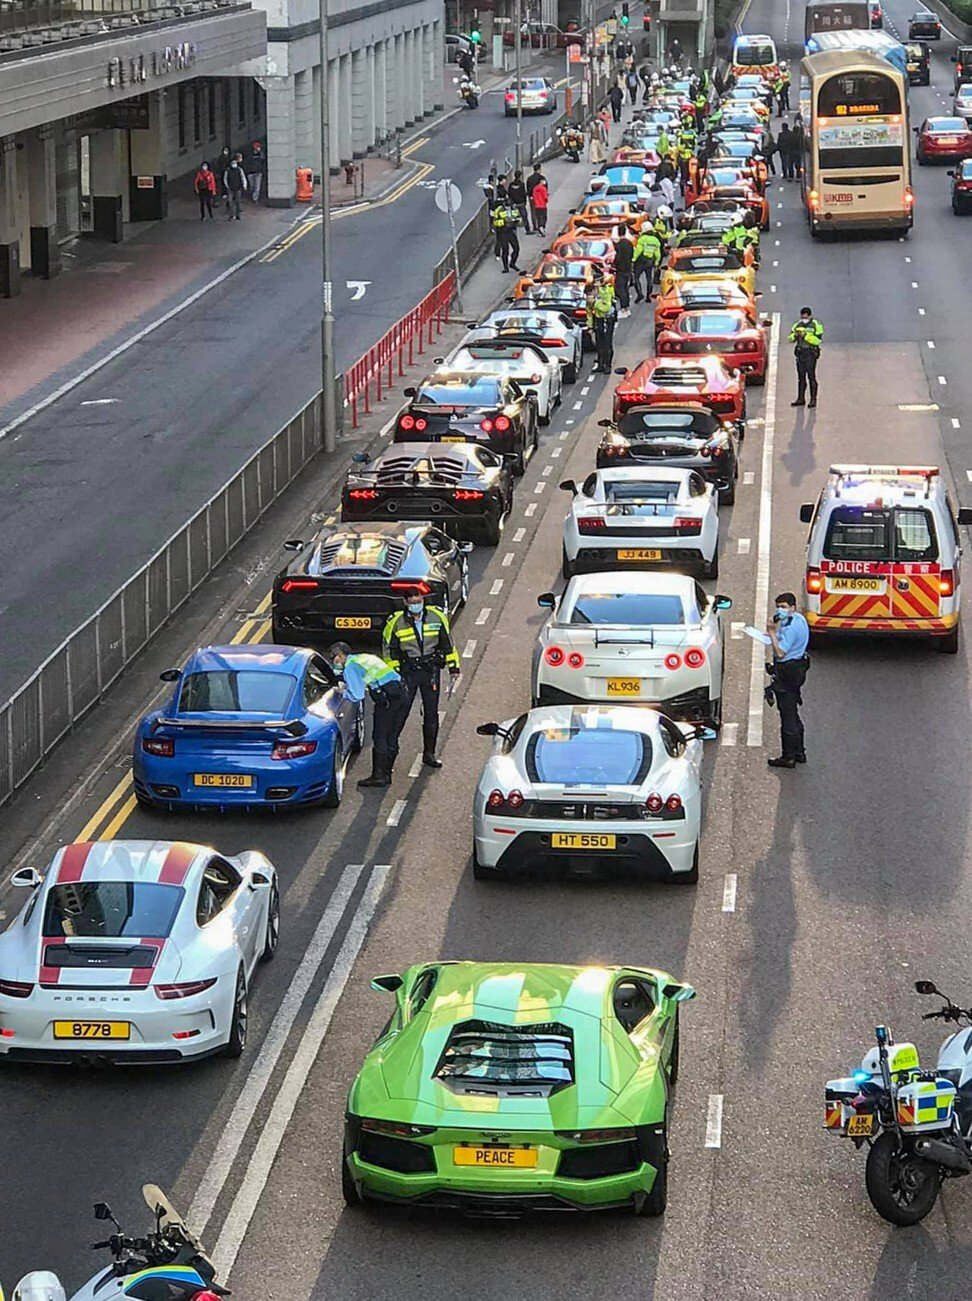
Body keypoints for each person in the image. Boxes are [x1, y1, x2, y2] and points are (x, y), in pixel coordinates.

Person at [382, 587, 461, 768]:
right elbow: (389, 651)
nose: (417, 605)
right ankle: (389, 754)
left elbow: (447, 644)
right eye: (413, 602)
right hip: (408, 673)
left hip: (430, 671)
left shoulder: (436, 617)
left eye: (419, 601)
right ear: (405, 602)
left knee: (431, 714)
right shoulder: (396, 623)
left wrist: (454, 668)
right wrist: (395, 675)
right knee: (400, 713)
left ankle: (429, 754)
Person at [327, 643, 408, 788]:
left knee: (380, 735)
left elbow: (356, 695)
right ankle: (387, 773)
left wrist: (341, 691)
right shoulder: (364, 657)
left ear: (339, 657)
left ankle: (378, 776)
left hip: (387, 698)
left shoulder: (350, 666)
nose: (334, 662)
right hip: (401, 692)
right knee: (392, 735)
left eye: (334, 659)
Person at [765, 593, 810, 769]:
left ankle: (788, 756)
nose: (779, 609)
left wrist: (771, 632)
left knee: (788, 714)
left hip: (788, 672)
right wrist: (774, 633)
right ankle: (799, 751)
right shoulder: (798, 619)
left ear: (792, 607)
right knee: (793, 711)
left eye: (783, 606)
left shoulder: (792, 627)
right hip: (797, 668)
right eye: (778, 606)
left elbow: (780, 652)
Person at [788, 306, 823, 407]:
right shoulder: (797, 325)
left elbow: (818, 340)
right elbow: (790, 338)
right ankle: (800, 398)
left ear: (810, 316)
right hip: (800, 353)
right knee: (801, 377)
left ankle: (813, 399)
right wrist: (795, 335)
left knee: (811, 376)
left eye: (806, 317)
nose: (804, 318)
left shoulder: (816, 325)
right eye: (802, 316)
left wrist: (806, 336)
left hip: (811, 354)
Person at [587, 274, 618, 373]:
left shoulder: (606, 291)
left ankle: (608, 365)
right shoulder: (591, 295)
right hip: (598, 320)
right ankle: (600, 364)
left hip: (607, 320)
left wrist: (595, 303)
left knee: (607, 342)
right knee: (599, 343)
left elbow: (606, 308)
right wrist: (590, 327)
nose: (595, 286)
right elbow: (589, 313)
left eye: (596, 283)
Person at [632, 222, 662, 300]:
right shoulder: (655, 240)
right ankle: (648, 296)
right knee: (649, 278)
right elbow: (657, 253)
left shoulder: (642, 239)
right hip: (650, 261)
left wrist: (633, 259)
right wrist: (656, 262)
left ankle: (640, 294)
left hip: (641, 261)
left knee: (636, 277)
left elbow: (638, 250)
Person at [613, 224, 633, 315]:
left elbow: (618, 257)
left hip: (620, 269)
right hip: (628, 268)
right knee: (626, 287)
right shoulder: (629, 243)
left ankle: (623, 307)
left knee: (621, 289)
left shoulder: (618, 245)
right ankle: (627, 306)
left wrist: (614, 264)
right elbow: (632, 255)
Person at [525, 162, 547, 230]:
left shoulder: (529, 178)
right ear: (539, 169)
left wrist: (530, 195)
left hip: (531, 197)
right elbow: (545, 188)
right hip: (540, 199)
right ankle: (541, 225)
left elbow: (528, 187)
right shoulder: (542, 178)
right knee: (541, 212)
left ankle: (535, 226)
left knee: (533, 211)